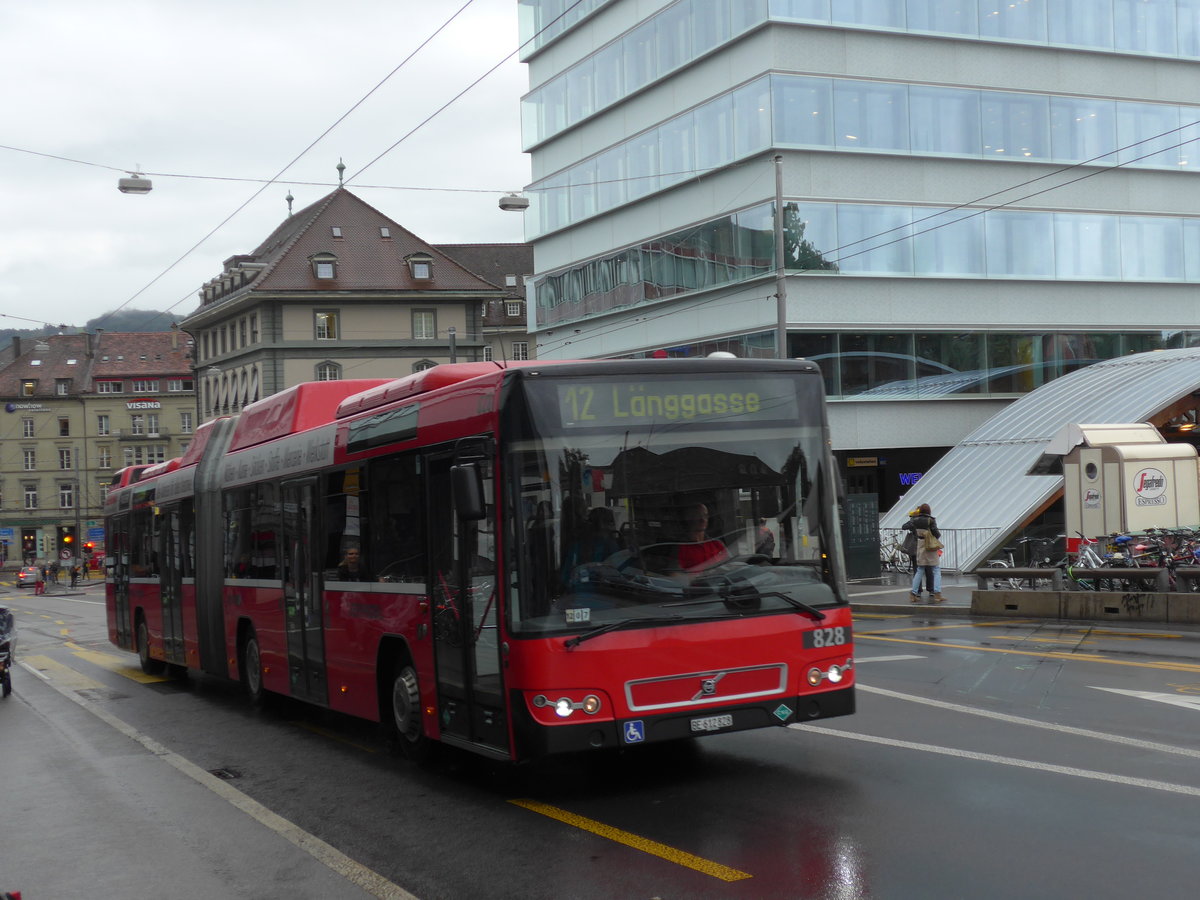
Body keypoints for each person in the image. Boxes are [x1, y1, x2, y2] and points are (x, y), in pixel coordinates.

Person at [902, 503, 943, 602]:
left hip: (919, 545)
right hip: (929, 546)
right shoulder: (931, 520)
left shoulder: (914, 520)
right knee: (936, 569)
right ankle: (937, 592)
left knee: (919, 570)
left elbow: (905, 527)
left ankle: (914, 593)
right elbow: (936, 533)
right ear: (929, 511)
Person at [677, 503, 730, 571]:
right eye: (698, 515)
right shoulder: (681, 548)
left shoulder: (717, 544)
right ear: (688, 518)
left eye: (705, 515)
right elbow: (676, 575)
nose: (702, 519)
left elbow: (731, 565)